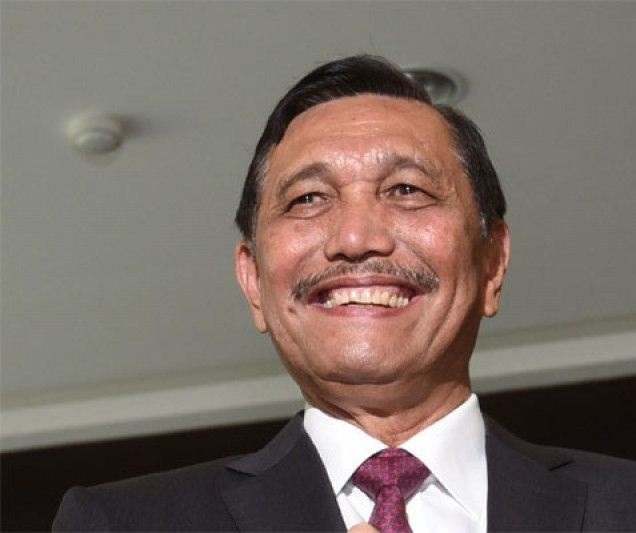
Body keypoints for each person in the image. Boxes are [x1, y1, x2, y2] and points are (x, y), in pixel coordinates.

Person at [53, 55, 636, 532]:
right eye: (308, 199)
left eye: (406, 190)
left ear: (492, 262)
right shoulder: (124, 523)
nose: (355, 239)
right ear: (254, 282)